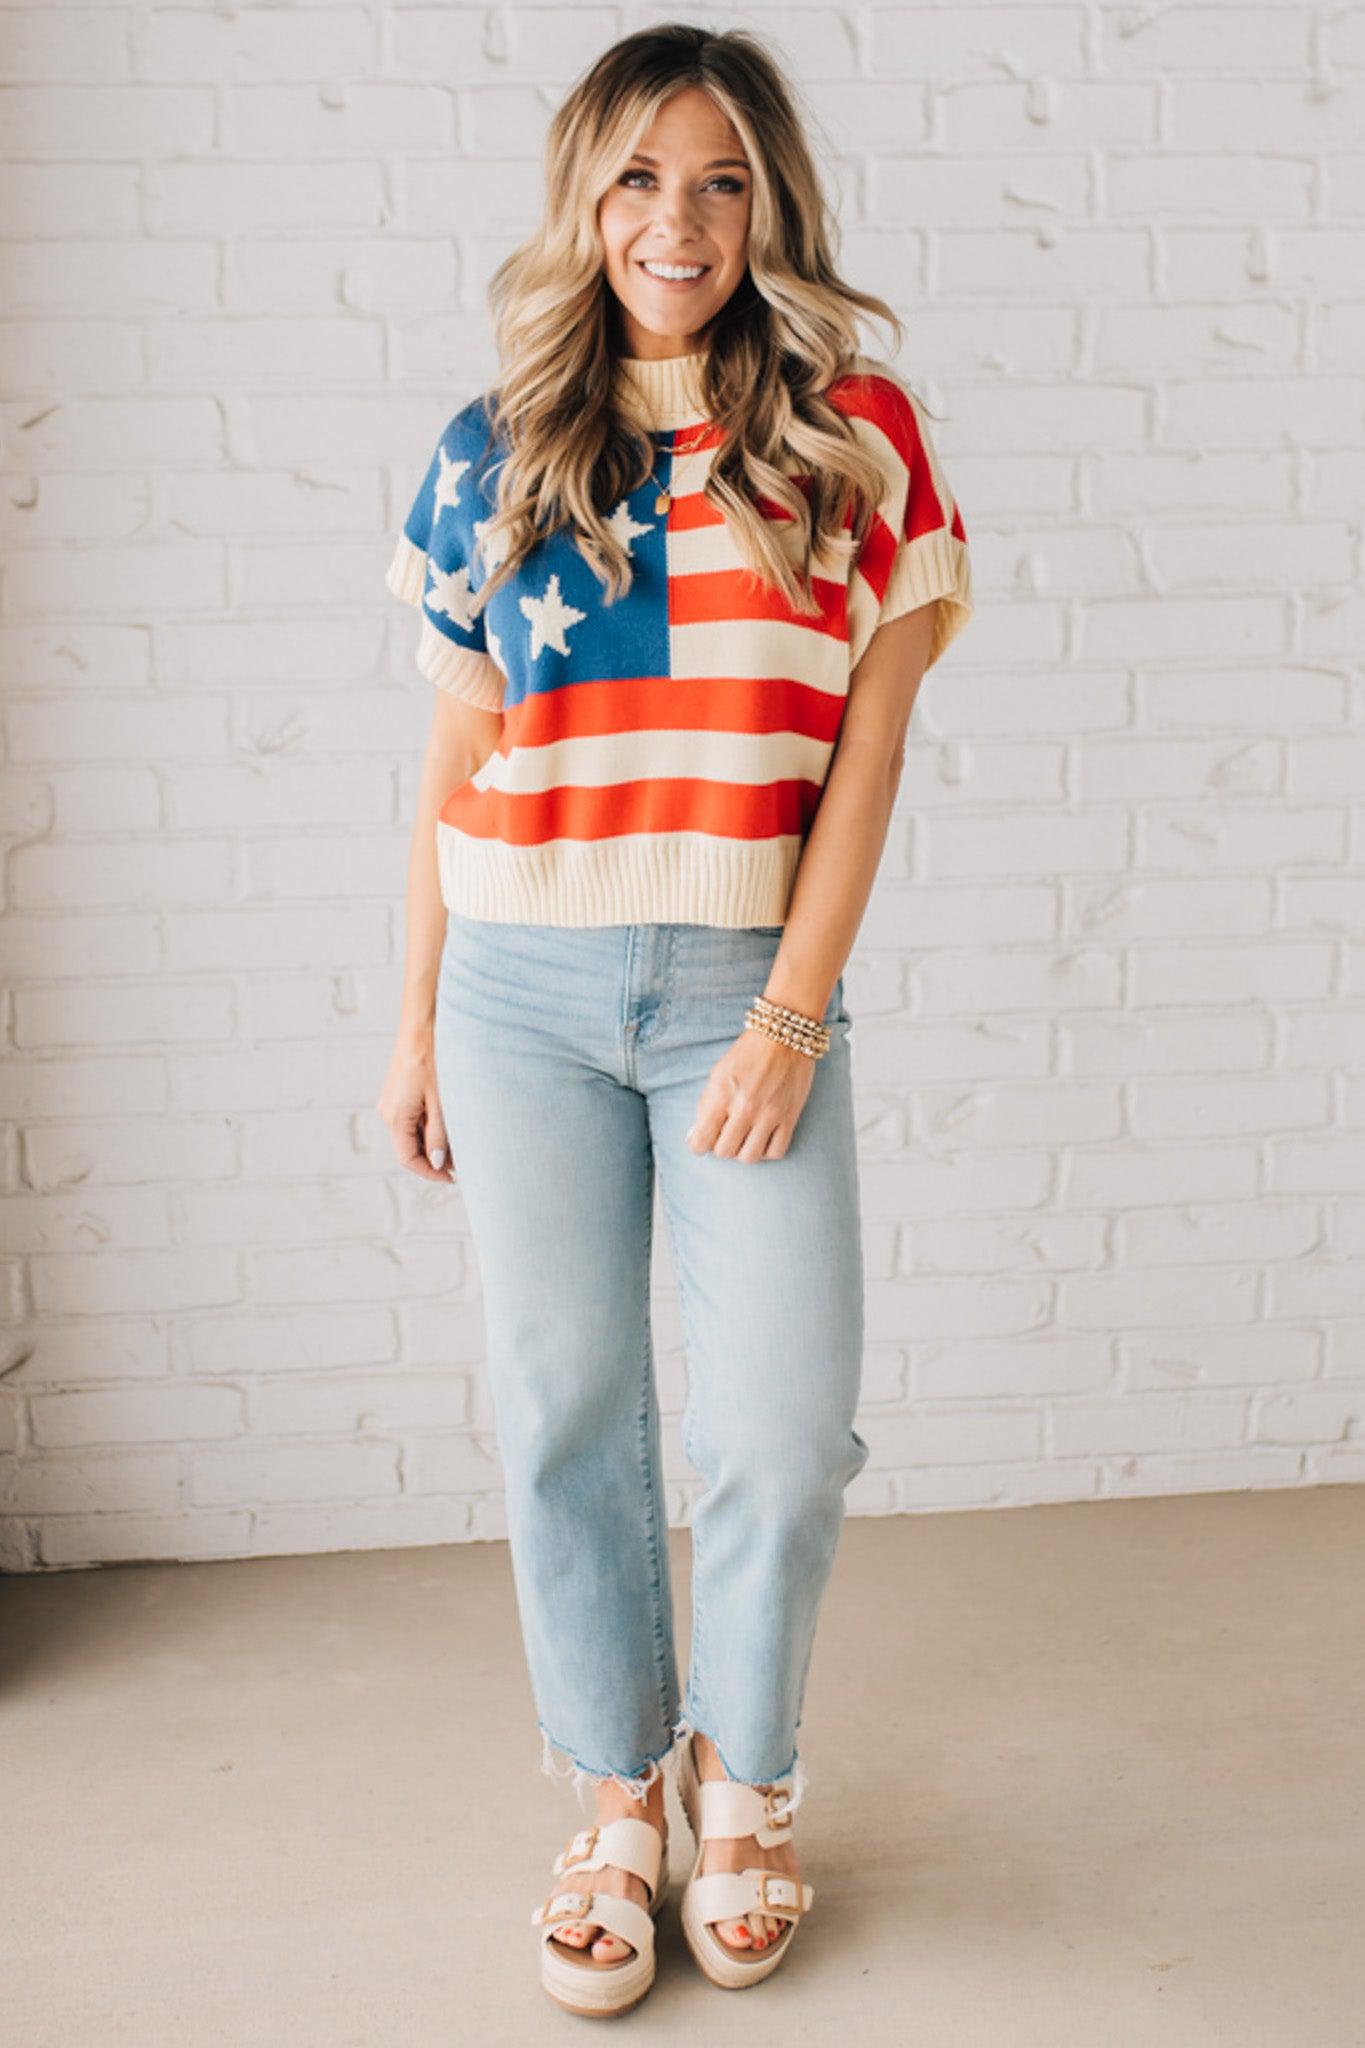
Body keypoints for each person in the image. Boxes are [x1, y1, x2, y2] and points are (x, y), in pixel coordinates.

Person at [376, 21, 973, 2017]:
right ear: (584, 198)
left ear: (769, 204)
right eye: (638, 177)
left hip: (740, 986)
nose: (677, 220)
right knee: (565, 1414)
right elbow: (459, 763)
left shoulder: (851, 435)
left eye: (720, 179)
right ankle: (620, 1801)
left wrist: (791, 1015)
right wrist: (412, 1024)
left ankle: (753, 1775)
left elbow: (867, 744)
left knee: (781, 1432)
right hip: (520, 991)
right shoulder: (492, 445)